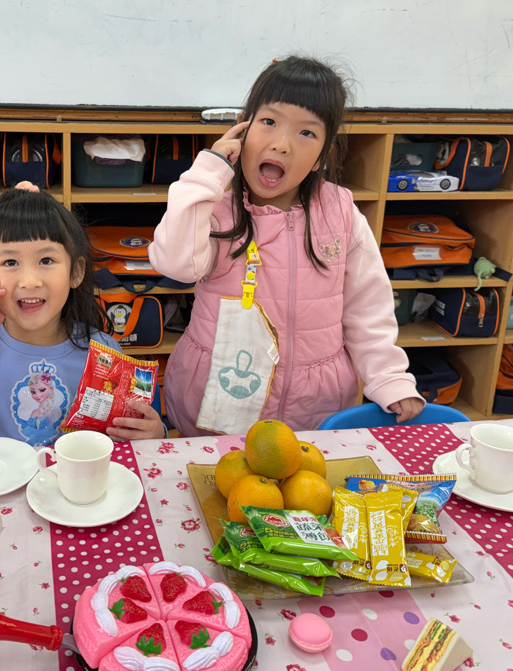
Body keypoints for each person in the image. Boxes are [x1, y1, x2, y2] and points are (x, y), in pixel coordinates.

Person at [149, 55, 424, 436]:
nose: (281, 145)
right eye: (269, 122)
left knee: (306, 473)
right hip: (223, 395)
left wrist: (390, 378)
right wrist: (207, 173)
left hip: (316, 404)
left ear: (321, 157)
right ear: (242, 130)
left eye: (306, 133)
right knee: (216, 471)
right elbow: (174, 263)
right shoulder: (216, 209)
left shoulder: (341, 213)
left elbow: (368, 308)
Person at [0, 182, 166, 447]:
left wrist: (154, 434)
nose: (30, 281)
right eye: (10, 262)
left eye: (46, 260)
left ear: (75, 272)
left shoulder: (101, 351)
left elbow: (121, 437)